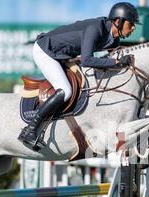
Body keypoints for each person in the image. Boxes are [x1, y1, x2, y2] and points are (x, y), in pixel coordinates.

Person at [18, 2, 140, 150]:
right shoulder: (95, 29)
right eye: (131, 23)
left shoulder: (114, 39)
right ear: (118, 21)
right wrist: (116, 62)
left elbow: (105, 59)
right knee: (65, 90)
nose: (133, 28)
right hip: (46, 51)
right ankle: (30, 129)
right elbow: (87, 60)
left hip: (64, 56)